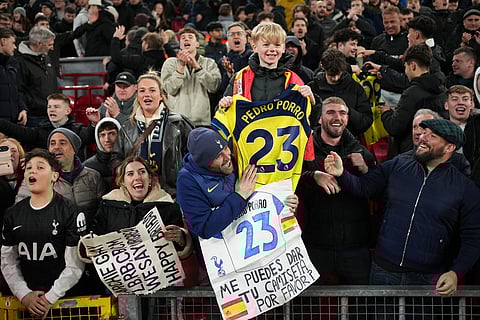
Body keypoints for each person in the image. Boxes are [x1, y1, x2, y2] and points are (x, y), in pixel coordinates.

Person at [324, 118, 480, 296]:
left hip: (428, 279)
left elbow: (473, 237)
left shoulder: (464, 188)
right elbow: (365, 187)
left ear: (450, 147)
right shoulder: (398, 165)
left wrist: (456, 272)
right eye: (424, 133)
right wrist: (342, 174)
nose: (423, 138)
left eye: (433, 136)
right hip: (384, 271)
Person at [296, 96, 375, 285]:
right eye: (330, 112)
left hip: (355, 249)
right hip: (315, 246)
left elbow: (376, 190)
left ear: (348, 118)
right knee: (313, 308)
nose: (336, 117)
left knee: (360, 307)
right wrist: (313, 175)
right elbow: (288, 181)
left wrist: (366, 169)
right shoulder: (302, 150)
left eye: (342, 113)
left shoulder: (362, 153)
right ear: (320, 119)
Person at [1, 148, 85, 318]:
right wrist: (24, 294)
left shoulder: (69, 211)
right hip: (25, 300)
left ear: (54, 176)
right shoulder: (12, 213)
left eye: (40, 167)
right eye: (29, 167)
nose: (32, 171)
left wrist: (50, 298)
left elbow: (75, 264)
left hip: (64, 300)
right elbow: (7, 260)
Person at [93, 155, 192, 259]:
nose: (137, 177)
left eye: (142, 172)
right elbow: (95, 240)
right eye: (130, 174)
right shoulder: (108, 206)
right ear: (122, 181)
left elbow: (180, 252)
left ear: (150, 178)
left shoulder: (169, 207)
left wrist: (182, 239)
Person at [112, 71, 193, 196]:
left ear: (161, 95)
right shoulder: (127, 127)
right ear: (137, 96)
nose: (147, 94)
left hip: (172, 193)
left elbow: (193, 156)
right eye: (142, 91)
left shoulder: (179, 123)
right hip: (137, 195)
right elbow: (116, 158)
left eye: (152, 90)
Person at [380, 43, 446, 157]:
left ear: (413, 66)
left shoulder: (412, 93)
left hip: (412, 154)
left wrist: (386, 113)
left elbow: (395, 127)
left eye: (405, 67)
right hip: (437, 150)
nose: (406, 72)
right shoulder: (442, 90)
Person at [161, 27, 221, 127]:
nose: (186, 39)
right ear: (180, 44)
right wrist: (181, 67)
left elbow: (214, 87)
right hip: (177, 120)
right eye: (183, 38)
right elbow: (169, 89)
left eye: (190, 37)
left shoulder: (209, 63)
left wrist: (197, 67)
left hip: (202, 121)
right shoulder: (170, 63)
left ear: (197, 44)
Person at [308, 48, 372, 137]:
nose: (335, 78)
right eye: (331, 75)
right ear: (322, 67)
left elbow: (366, 121)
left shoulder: (355, 88)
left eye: (339, 74)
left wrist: (347, 111)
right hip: (318, 140)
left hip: (348, 141)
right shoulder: (312, 88)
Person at [0, 93, 95, 153]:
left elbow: (89, 137)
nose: (52, 110)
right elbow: (18, 131)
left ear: (68, 111)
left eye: (56, 107)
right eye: (49, 107)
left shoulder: (77, 130)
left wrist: (94, 123)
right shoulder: (40, 130)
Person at [16, 26, 58, 127]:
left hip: (51, 113)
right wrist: (24, 108)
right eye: (49, 44)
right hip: (34, 116)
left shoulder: (46, 58)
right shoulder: (20, 62)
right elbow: (19, 90)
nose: (52, 48)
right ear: (39, 44)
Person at [83, 117, 121, 191]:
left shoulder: (130, 161)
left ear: (120, 135)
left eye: (111, 133)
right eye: (102, 135)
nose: (107, 139)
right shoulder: (88, 167)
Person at [0, 27, 27, 126]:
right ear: (3, 41)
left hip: (13, 125)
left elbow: (17, 91)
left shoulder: (11, 64)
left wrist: (22, 109)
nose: (15, 47)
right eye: (13, 43)